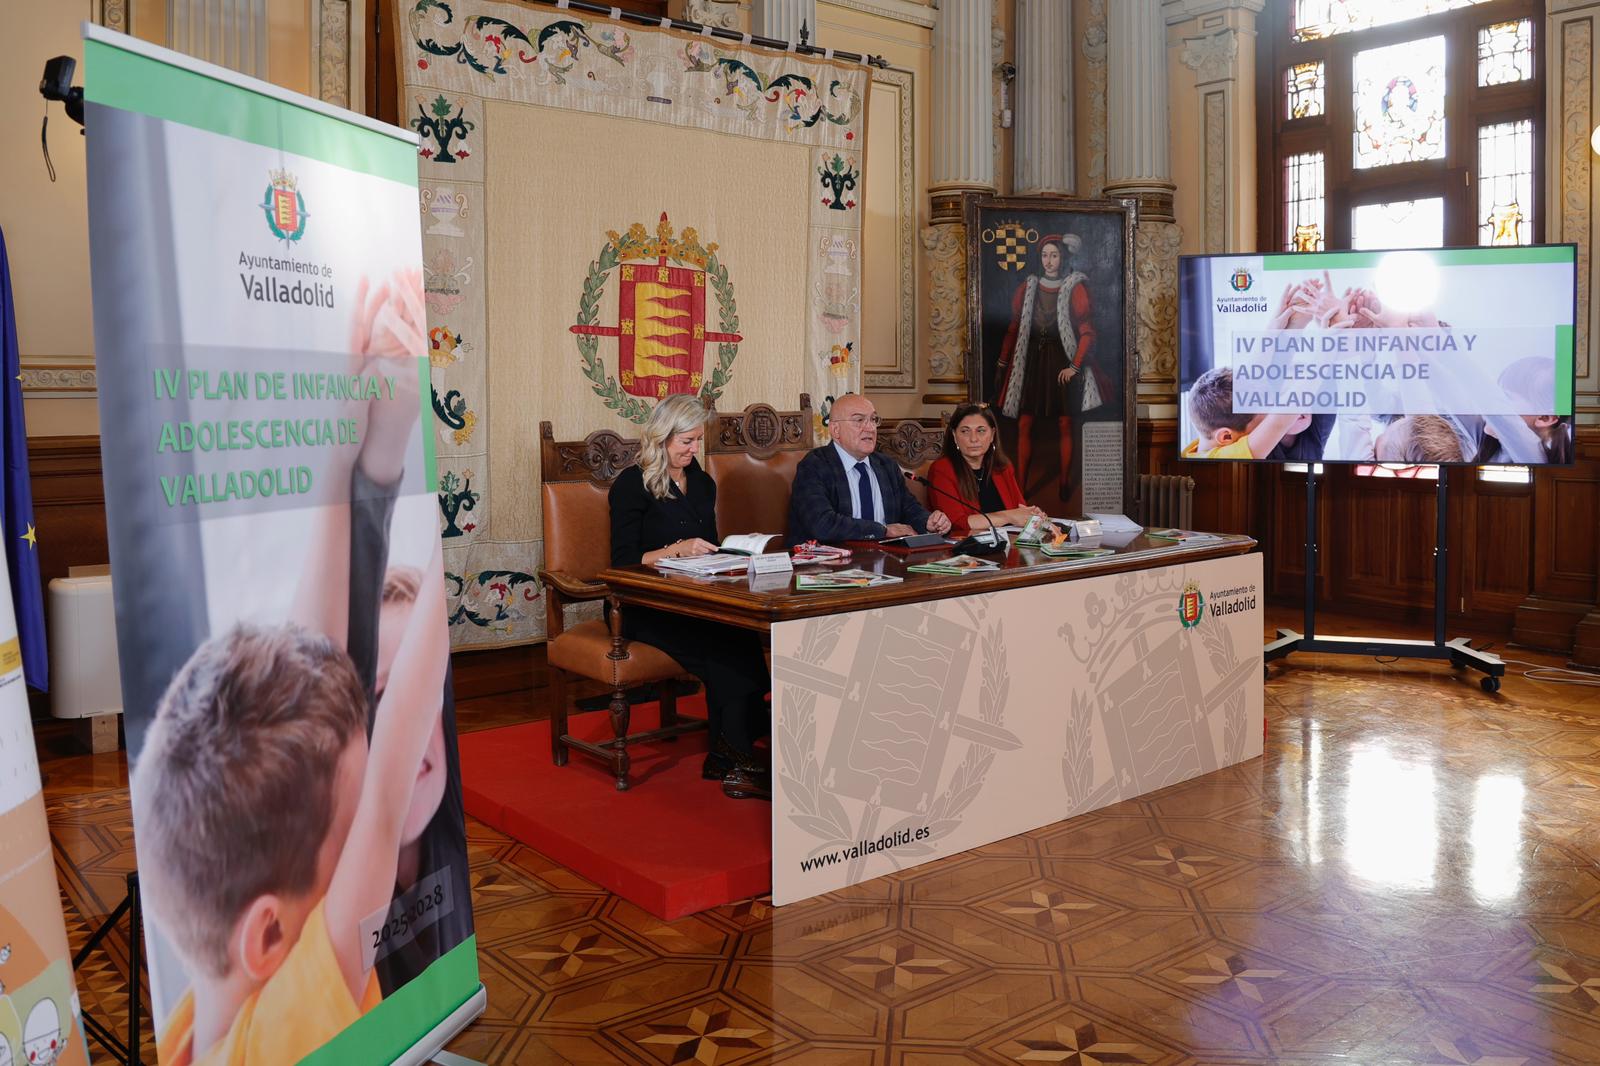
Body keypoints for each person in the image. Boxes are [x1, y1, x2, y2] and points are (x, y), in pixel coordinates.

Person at [136, 552, 448, 1066]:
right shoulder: (283, 1040)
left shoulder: (195, 1029)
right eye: (351, 846)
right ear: (270, 932)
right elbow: (386, 798)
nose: (366, 864)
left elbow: (316, 651)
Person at [609, 394, 771, 800]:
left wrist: (732, 556)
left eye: (697, 440)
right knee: (723, 648)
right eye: (686, 441)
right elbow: (623, 561)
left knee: (740, 635)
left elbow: (709, 547)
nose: (694, 449)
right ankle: (734, 755)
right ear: (661, 438)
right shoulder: (631, 485)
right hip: (645, 605)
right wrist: (676, 550)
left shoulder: (701, 483)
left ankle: (726, 753)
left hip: (693, 597)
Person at [993, 234, 1107, 497]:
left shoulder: (1074, 287)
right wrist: (1002, 360)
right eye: (1045, 255)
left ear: (1062, 257)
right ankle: (1021, 489)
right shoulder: (1028, 287)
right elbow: (1013, 327)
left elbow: (1087, 332)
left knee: (1065, 424)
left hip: (1061, 360)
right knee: (1024, 424)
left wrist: (1074, 367)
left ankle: (1064, 483)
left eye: (1054, 255)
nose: (1049, 261)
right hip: (1032, 362)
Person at [786, 393, 952, 545]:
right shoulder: (814, 465)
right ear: (835, 430)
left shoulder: (886, 465)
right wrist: (882, 531)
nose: (870, 428)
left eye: (873, 419)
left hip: (886, 559)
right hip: (829, 562)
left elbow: (908, 509)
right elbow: (822, 524)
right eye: (859, 420)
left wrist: (929, 522)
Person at [926, 402, 1047, 535]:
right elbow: (956, 523)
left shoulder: (1003, 467)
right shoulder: (941, 470)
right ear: (954, 435)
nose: (974, 439)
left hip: (1009, 543)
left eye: (981, 431)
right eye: (965, 431)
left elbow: (1020, 509)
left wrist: (1032, 515)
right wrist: (1008, 516)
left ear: (992, 434)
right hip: (966, 545)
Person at [1182, 367, 1307, 459]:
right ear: (1226, 436)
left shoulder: (1195, 450)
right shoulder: (1222, 460)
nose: (1267, 427)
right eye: (1264, 424)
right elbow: (1278, 423)